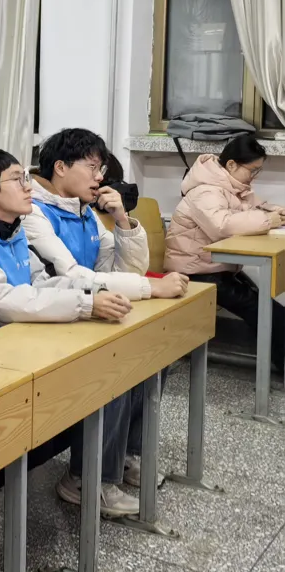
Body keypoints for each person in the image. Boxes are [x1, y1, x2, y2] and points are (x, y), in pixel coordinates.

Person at [0, 150, 137, 517]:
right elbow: (3, 301)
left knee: (98, 379)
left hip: (3, 347)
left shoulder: (13, 230)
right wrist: (85, 305)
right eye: (18, 179)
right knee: (79, 389)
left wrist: (94, 295)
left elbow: (41, 283)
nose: (29, 187)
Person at [25, 129, 189, 513]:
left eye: (101, 169)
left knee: (152, 352)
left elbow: (123, 269)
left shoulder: (84, 211)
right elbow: (72, 276)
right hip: (49, 317)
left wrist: (122, 220)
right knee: (115, 362)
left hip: (82, 311)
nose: (100, 177)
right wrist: (151, 288)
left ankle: (125, 455)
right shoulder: (34, 212)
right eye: (93, 167)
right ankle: (86, 479)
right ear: (60, 167)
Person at [165, 135, 285, 370]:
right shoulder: (205, 191)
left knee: (266, 307)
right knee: (263, 310)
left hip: (216, 267)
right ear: (231, 165)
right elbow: (222, 225)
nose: (254, 176)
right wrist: (267, 220)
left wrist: (277, 213)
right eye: (253, 170)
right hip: (194, 272)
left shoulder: (233, 187)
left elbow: (256, 206)